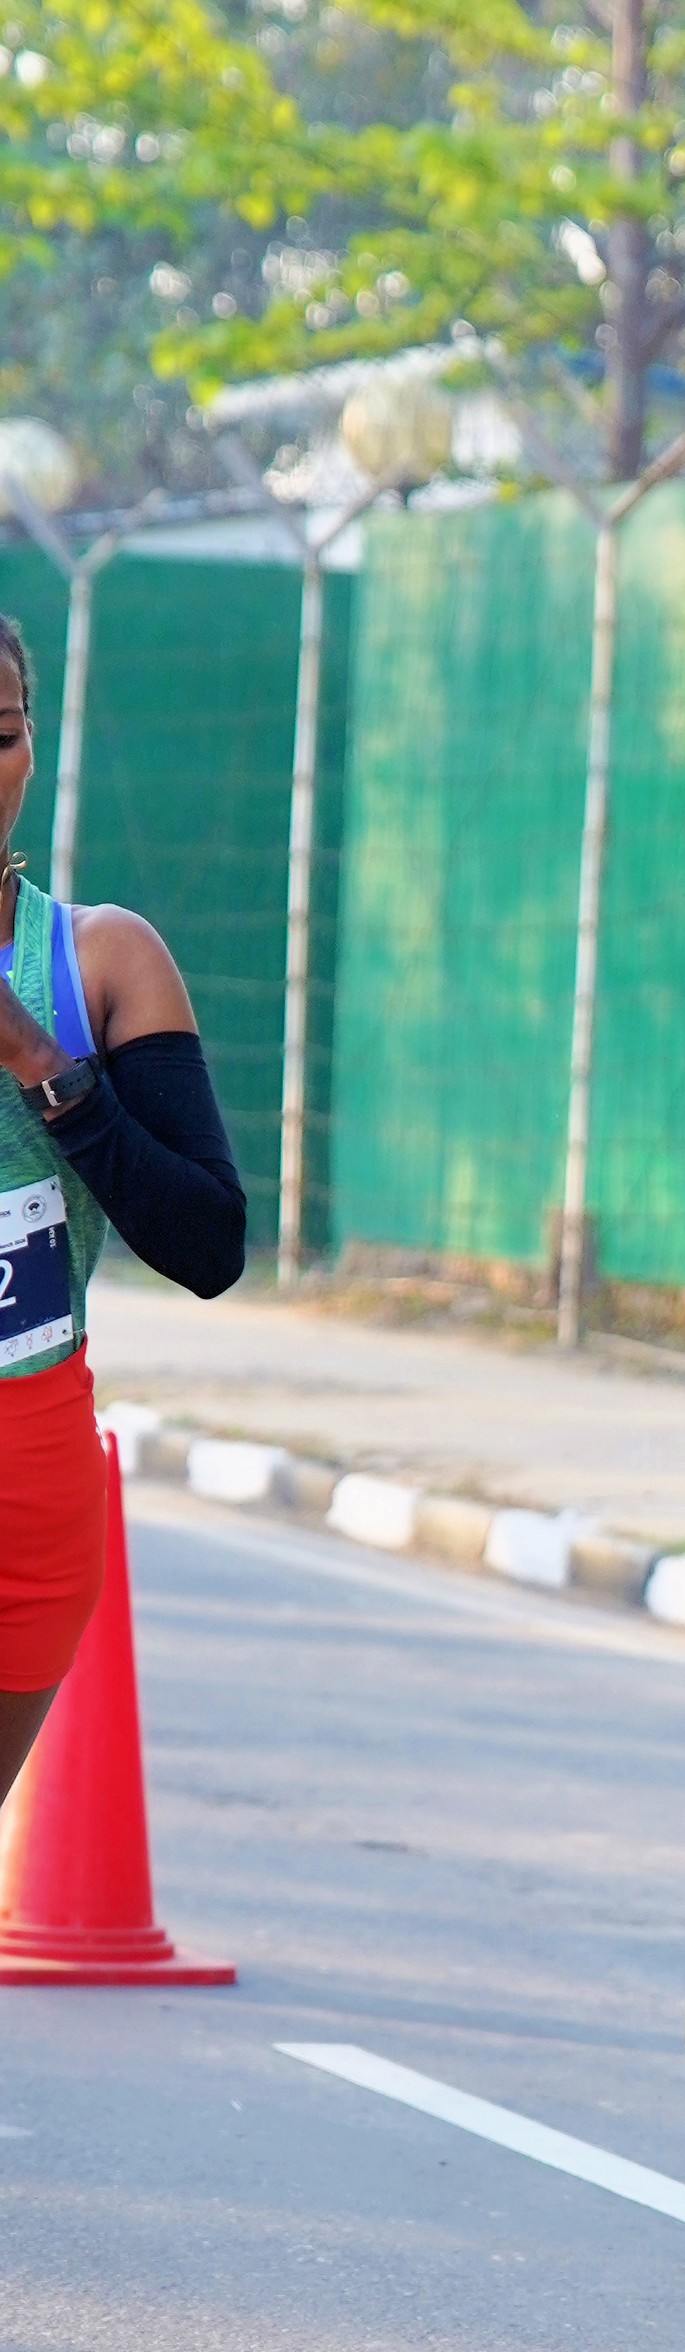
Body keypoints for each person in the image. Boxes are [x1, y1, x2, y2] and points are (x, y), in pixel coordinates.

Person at [0, 610, 246, 1804]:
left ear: (30, 747)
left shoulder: (99, 959)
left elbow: (207, 1242)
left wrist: (34, 1054)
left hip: (29, 1476)